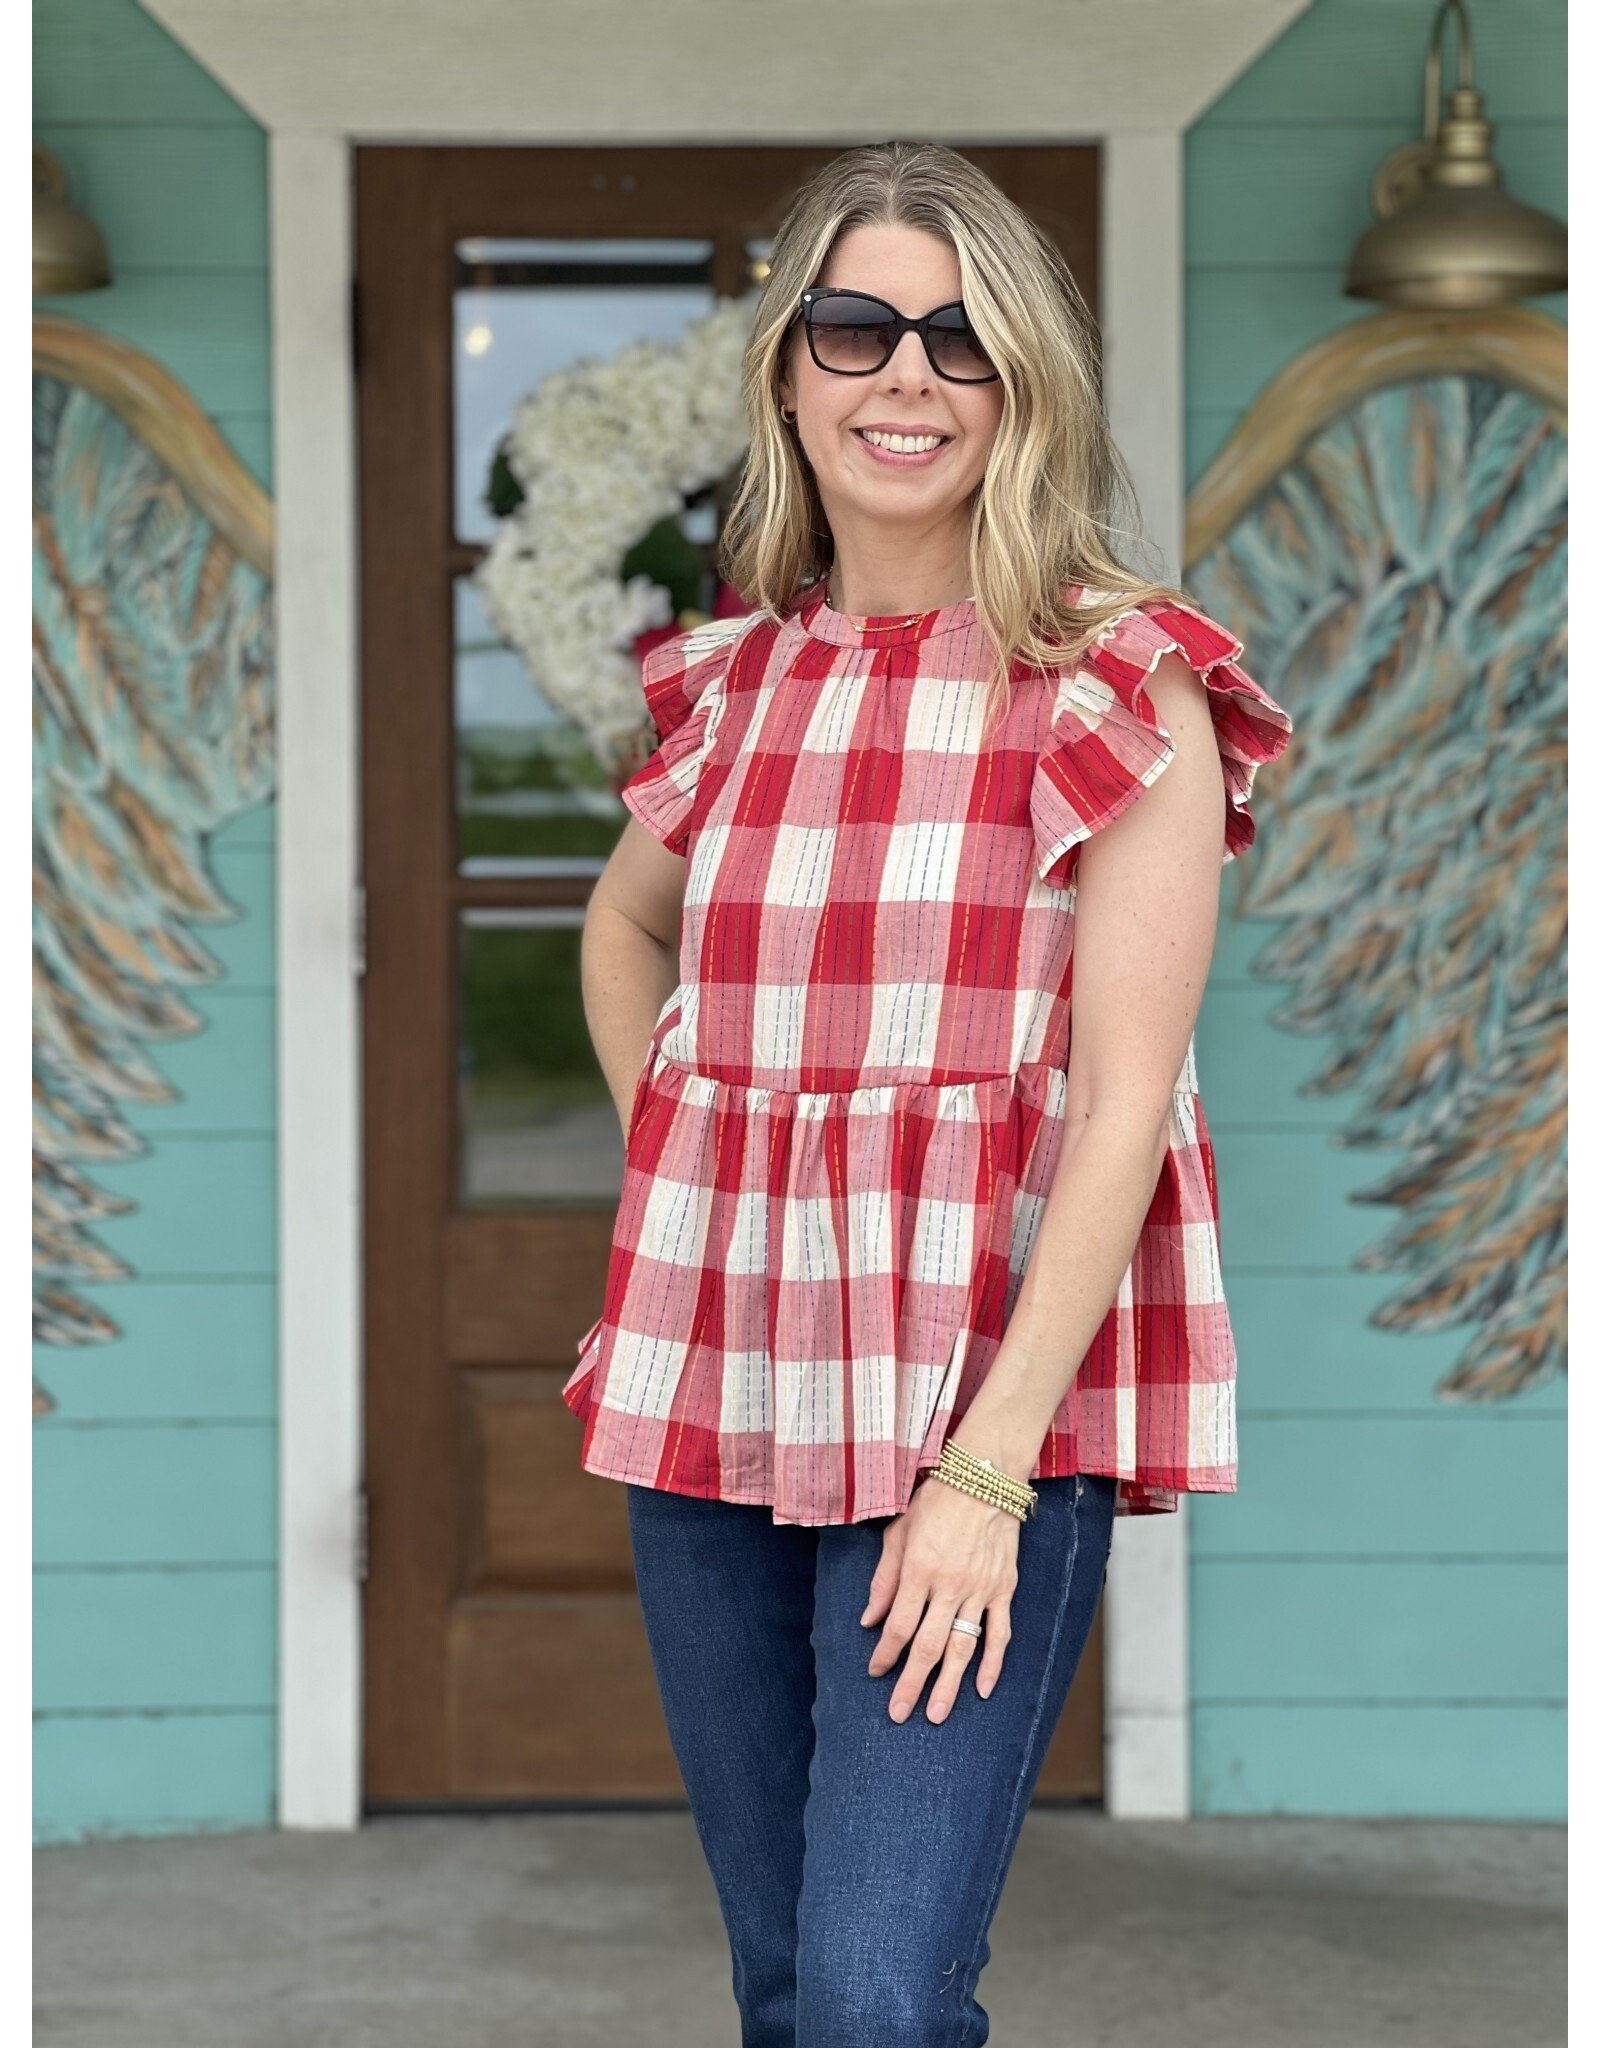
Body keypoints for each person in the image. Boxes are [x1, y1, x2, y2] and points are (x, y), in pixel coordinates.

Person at [564, 139, 1294, 2047]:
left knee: (882, 1997)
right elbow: (621, 936)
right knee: (792, 1984)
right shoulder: (732, 684)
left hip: (984, 1409)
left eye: (963, 343)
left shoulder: (1122, 681)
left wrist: (982, 1471)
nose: (908, 378)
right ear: (790, 374)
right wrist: (692, 1148)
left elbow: (1126, 1106)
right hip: (718, 1384)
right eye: (859, 328)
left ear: (1027, 381)